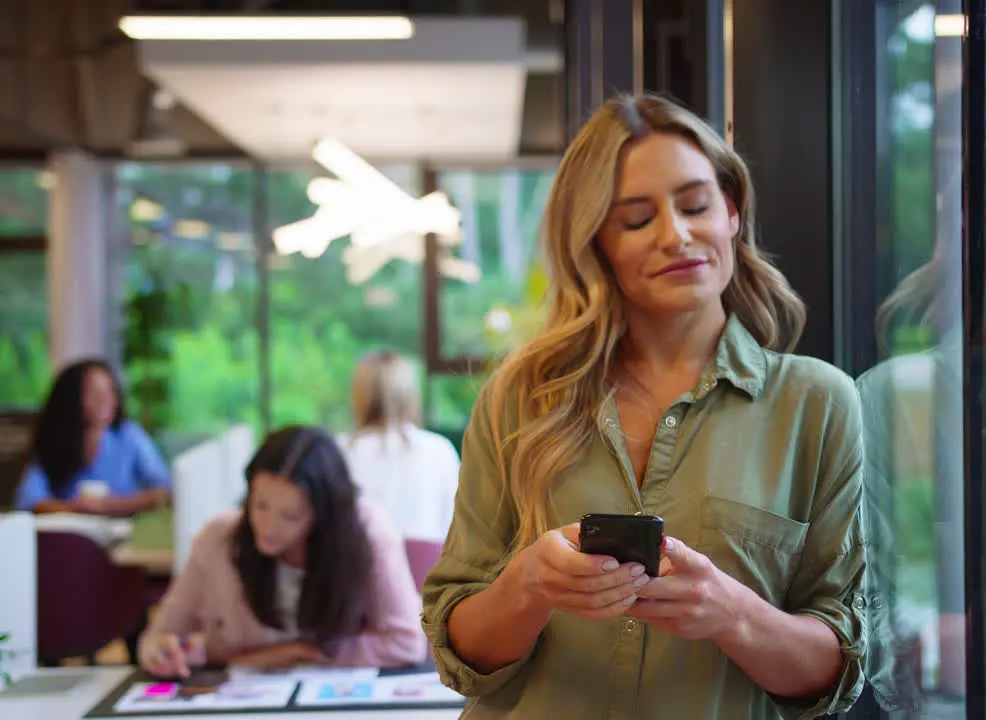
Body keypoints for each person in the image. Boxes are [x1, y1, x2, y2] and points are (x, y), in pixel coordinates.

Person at [422, 94, 866, 719]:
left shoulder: (818, 405)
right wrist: (530, 584)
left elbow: (836, 669)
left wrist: (731, 611)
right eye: (636, 220)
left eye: (694, 205)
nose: (676, 235)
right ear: (597, 243)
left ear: (732, 211)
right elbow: (458, 653)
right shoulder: (520, 398)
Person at [140, 425, 426, 676]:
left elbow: (406, 643)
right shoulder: (220, 539)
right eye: (260, 505)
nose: (268, 527)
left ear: (323, 514)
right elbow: (156, 638)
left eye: (290, 515)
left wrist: (305, 654)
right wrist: (162, 653)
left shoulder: (366, 532)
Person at [15, 358, 171, 516]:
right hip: (73, 532)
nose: (104, 399)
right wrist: (75, 509)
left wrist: (108, 505)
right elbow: (30, 501)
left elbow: (165, 491)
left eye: (110, 390)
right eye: (92, 391)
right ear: (71, 397)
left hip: (122, 531)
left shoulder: (129, 436)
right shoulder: (54, 441)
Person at [339, 349, 461, 543]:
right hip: (427, 569)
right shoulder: (440, 449)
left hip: (358, 566)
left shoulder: (340, 450)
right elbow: (455, 528)